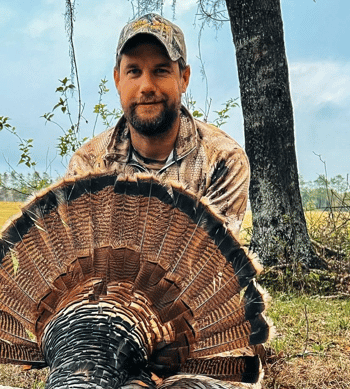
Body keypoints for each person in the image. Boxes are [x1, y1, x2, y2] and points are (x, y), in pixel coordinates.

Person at [66, 12, 250, 235]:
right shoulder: (88, 164)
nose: (147, 86)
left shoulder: (222, 160)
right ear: (117, 80)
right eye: (134, 71)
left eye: (161, 71)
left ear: (184, 78)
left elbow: (208, 263)